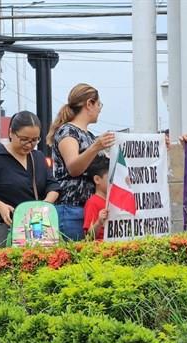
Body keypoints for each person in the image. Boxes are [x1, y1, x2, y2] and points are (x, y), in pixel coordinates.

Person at [0, 111, 60, 247]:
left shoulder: (38, 157)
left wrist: (44, 205)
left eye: (35, 140)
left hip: (38, 229)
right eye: (24, 139)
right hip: (8, 229)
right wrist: (0, 206)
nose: (29, 145)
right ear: (11, 132)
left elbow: (53, 186)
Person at [47, 83, 116, 240]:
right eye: (99, 104)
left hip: (88, 208)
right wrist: (95, 147)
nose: (100, 109)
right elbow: (73, 168)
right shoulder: (68, 132)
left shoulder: (89, 136)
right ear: (89, 103)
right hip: (71, 208)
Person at [82, 155, 110, 241]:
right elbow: (88, 237)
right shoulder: (93, 203)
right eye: (110, 178)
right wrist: (99, 222)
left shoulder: (115, 201)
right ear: (97, 179)